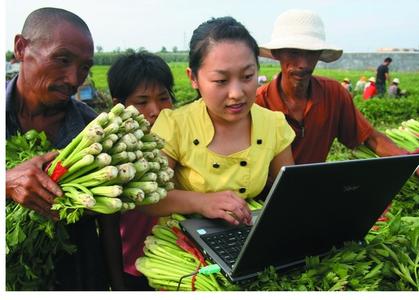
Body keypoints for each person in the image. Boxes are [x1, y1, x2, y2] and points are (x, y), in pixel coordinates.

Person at [141, 16, 295, 225]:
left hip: (245, 231)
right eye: (221, 81)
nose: (236, 93)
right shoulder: (175, 125)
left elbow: (289, 194)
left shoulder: (273, 124)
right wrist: (201, 202)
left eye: (248, 76)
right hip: (184, 240)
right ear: (193, 78)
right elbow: (150, 200)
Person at [5, 7, 118, 290]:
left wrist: (118, 289)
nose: (73, 79)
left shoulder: (93, 130)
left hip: (78, 276)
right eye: (62, 59)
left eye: (84, 68)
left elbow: (108, 225)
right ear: (21, 48)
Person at [256, 9, 419, 183]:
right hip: (264, 197)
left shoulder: (333, 94)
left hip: (312, 190)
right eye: (294, 52)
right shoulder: (257, 102)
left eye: (311, 53)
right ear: (277, 54)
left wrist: (415, 165)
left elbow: (370, 137)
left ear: (319, 55)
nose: (303, 64)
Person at [106, 51, 175, 290]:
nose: (155, 110)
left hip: (180, 261)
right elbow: (109, 225)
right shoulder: (113, 156)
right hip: (135, 264)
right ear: (119, 106)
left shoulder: (184, 139)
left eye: (164, 98)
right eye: (142, 102)